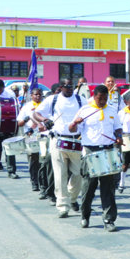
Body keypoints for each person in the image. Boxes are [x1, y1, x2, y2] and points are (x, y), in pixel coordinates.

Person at [70, 84, 124, 232]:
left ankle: (109, 219)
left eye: (105, 98)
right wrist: (75, 123)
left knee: (108, 189)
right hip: (90, 152)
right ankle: (85, 216)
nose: (102, 101)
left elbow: (117, 128)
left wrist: (119, 137)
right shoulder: (85, 110)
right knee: (88, 188)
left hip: (107, 151)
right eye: (100, 98)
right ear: (94, 96)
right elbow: (72, 129)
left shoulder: (112, 110)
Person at [33, 78, 85, 218]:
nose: (69, 88)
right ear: (60, 87)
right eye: (66, 86)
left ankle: (72, 198)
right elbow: (36, 113)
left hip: (77, 141)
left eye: (71, 86)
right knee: (60, 175)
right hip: (58, 140)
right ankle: (63, 206)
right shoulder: (53, 100)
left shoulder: (80, 100)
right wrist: (45, 120)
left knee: (78, 173)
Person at [18, 88, 45, 191]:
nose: (38, 96)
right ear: (31, 95)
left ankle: (43, 182)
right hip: (30, 135)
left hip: (43, 135)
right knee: (33, 160)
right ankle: (34, 182)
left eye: (40, 94)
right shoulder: (27, 107)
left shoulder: (45, 105)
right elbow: (19, 123)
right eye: (36, 94)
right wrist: (28, 118)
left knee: (43, 160)